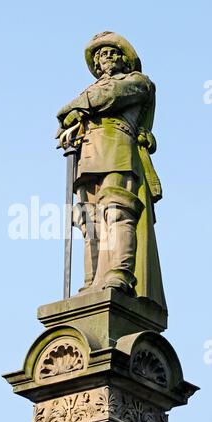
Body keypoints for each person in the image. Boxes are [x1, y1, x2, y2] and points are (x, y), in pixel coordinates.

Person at [57, 31, 166, 312]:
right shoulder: (87, 95)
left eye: (110, 53)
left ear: (122, 58)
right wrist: (70, 120)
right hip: (88, 156)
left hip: (118, 149)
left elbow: (110, 96)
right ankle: (91, 282)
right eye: (100, 55)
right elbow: (62, 127)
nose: (105, 59)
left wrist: (72, 110)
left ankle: (119, 273)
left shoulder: (137, 83)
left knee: (117, 210)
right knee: (89, 220)